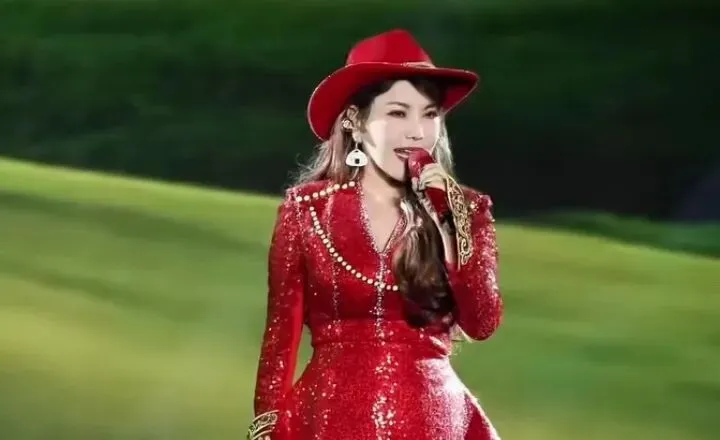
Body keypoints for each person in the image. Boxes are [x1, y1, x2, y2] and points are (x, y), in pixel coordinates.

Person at [247, 28, 504, 440]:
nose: (417, 132)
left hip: (434, 421)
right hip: (329, 418)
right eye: (398, 113)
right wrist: (267, 428)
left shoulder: (467, 210)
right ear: (355, 121)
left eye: (430, 115)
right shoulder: (307, 211)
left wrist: (450, 225)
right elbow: (280, 342)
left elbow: (483, 323)